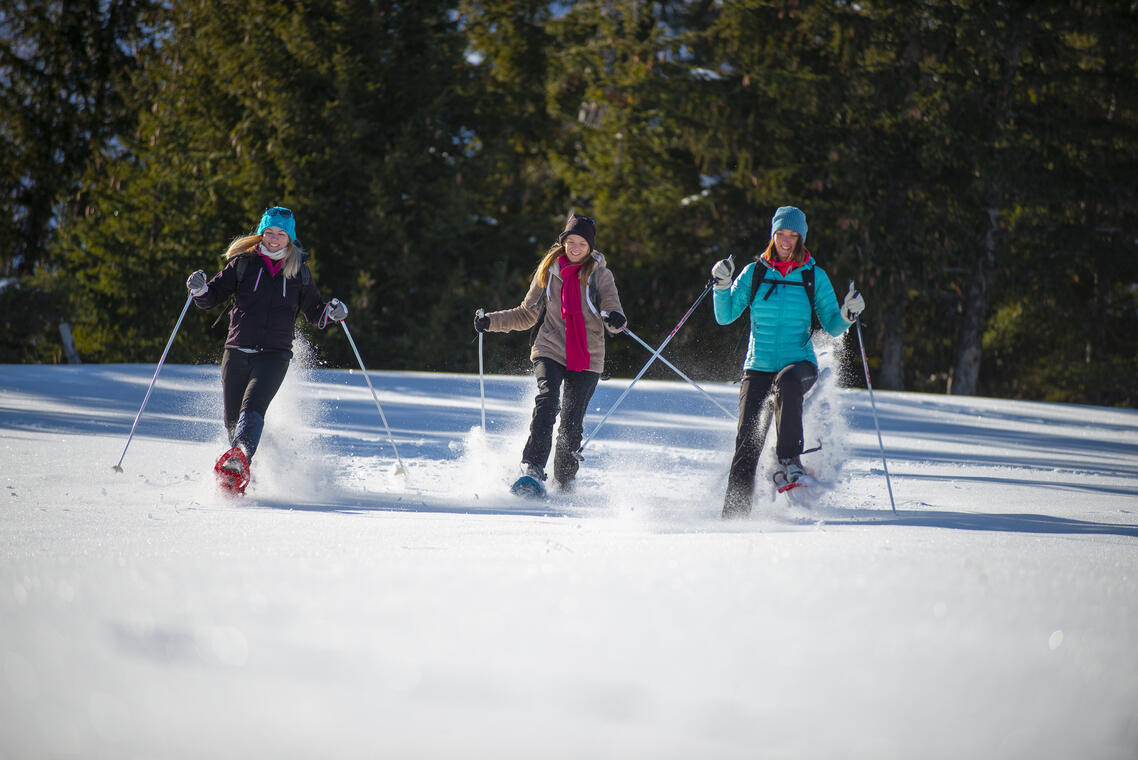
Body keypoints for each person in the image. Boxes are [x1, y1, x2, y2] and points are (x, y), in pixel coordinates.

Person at [710, 205, 864, 518]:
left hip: (800, 365)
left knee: (788, 381)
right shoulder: (754, 272)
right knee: (747, 442)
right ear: (773, 234)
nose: (786, 240)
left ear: (801, 238)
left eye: (793, 235)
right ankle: (733, 517)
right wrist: (722, 286)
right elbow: (725, 316)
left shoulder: (812, 276)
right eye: (781, 233)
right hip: (758, 367)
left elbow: (832, 325)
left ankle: (790, 460)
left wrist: (849, 314)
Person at [185, 206, 348, 479]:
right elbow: (211, 297)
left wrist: (332, 313)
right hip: (236, 351)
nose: (274, 238)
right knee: (232, 421)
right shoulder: (243, 264)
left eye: (281, 233)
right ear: (261, 233)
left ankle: (240, 457)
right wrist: (200, 288)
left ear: (290, 237)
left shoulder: (300, 273)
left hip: (275, 355)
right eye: (269, 231)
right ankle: (242, 469)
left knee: (253, 408)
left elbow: (314, 312)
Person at [474, 213, 626, 492]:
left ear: (590, 246)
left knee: (571, 422)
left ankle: (565, 482)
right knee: (548, 400)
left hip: (588, 355)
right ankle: (531, 468)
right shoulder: (549, 270)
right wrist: (491, 321)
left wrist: (615, 320)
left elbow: (613, 312)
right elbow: (526, 314)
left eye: (582, 242)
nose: (576, 247)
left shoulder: (600, 276)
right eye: (571, 241)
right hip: (550, 347)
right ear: (563, 242)